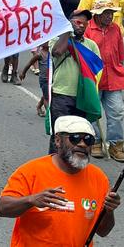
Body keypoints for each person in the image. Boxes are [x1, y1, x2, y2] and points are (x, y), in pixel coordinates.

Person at [0, 115, 121, 246]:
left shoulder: (99, 178)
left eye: (88, 140)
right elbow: (2, 208)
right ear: (57, 141)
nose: (82, 144)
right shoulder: (31, 171)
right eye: (75, 138)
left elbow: (103, 231)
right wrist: (31, 200)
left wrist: (109, 210)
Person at [47, 10, 100, 153]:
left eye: (85, 23)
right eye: (78, 22)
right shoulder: (57, 40)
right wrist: (67, 32)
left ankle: (72, 166)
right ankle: (55, 166)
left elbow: (95, 71)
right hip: (62, 95)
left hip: (82, 97)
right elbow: (57, 52)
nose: (82, 26)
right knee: (59, 135)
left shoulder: (91, 46)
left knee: (78, 136)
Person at [84, 0, 124, 162]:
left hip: (114, 78)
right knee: (93, 112)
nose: (110, 16)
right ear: (97, 14)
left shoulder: (115, 28)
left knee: (117, 111)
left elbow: (121, 54)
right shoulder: (88, 29)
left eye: (111, 13)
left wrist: (119, 67)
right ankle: (95, 141)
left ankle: (116, 145)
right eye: (106, 13)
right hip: (94, 78)